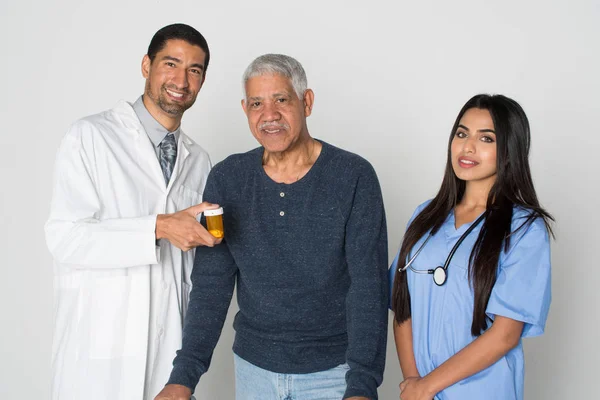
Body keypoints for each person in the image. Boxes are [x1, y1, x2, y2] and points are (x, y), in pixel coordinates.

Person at [154, 54, 388, 400]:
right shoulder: (228, 178)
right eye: (257, 104)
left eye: (281, 99)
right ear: (245, 109)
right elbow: (211, 287)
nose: (269, 115)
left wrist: (362, 385)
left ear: (306, 102)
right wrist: (183, 376)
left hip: (335, 375)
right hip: (254, 372)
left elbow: (369, 288)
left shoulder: (352, 176)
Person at [45, 23, 221, 400]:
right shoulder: (90, 136)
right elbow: (65, 238)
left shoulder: (200, 160)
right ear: (146, 65)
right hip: (98, 353)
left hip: (167, 355)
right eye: (170, 64)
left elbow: (198, 268)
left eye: (194, 70)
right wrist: (156, 227)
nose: (181, 79)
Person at [389, 94, 553, 400]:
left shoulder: (524, 228)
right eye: (461, 134)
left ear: (508, 151)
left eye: (486, 138)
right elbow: (402, 306)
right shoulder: (425, 216)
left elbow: (505, 334)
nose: (468, 147)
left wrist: (427, 386)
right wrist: (413, 381)